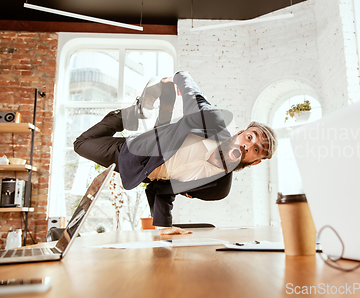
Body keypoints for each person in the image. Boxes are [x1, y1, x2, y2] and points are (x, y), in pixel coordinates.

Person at [74, 71, 277, 235]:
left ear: (255, 161)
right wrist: (178, 77)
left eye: (257, 150)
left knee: (164, 130)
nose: (247, 146)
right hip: (138, 153)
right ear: (241, 133)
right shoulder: (212, 121)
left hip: (152, 165)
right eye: (250, 137)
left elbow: (166, 189)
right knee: (81, 144)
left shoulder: (218, 188)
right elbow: (193, 94)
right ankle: (134, 112)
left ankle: (163, 105)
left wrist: (164, 226)